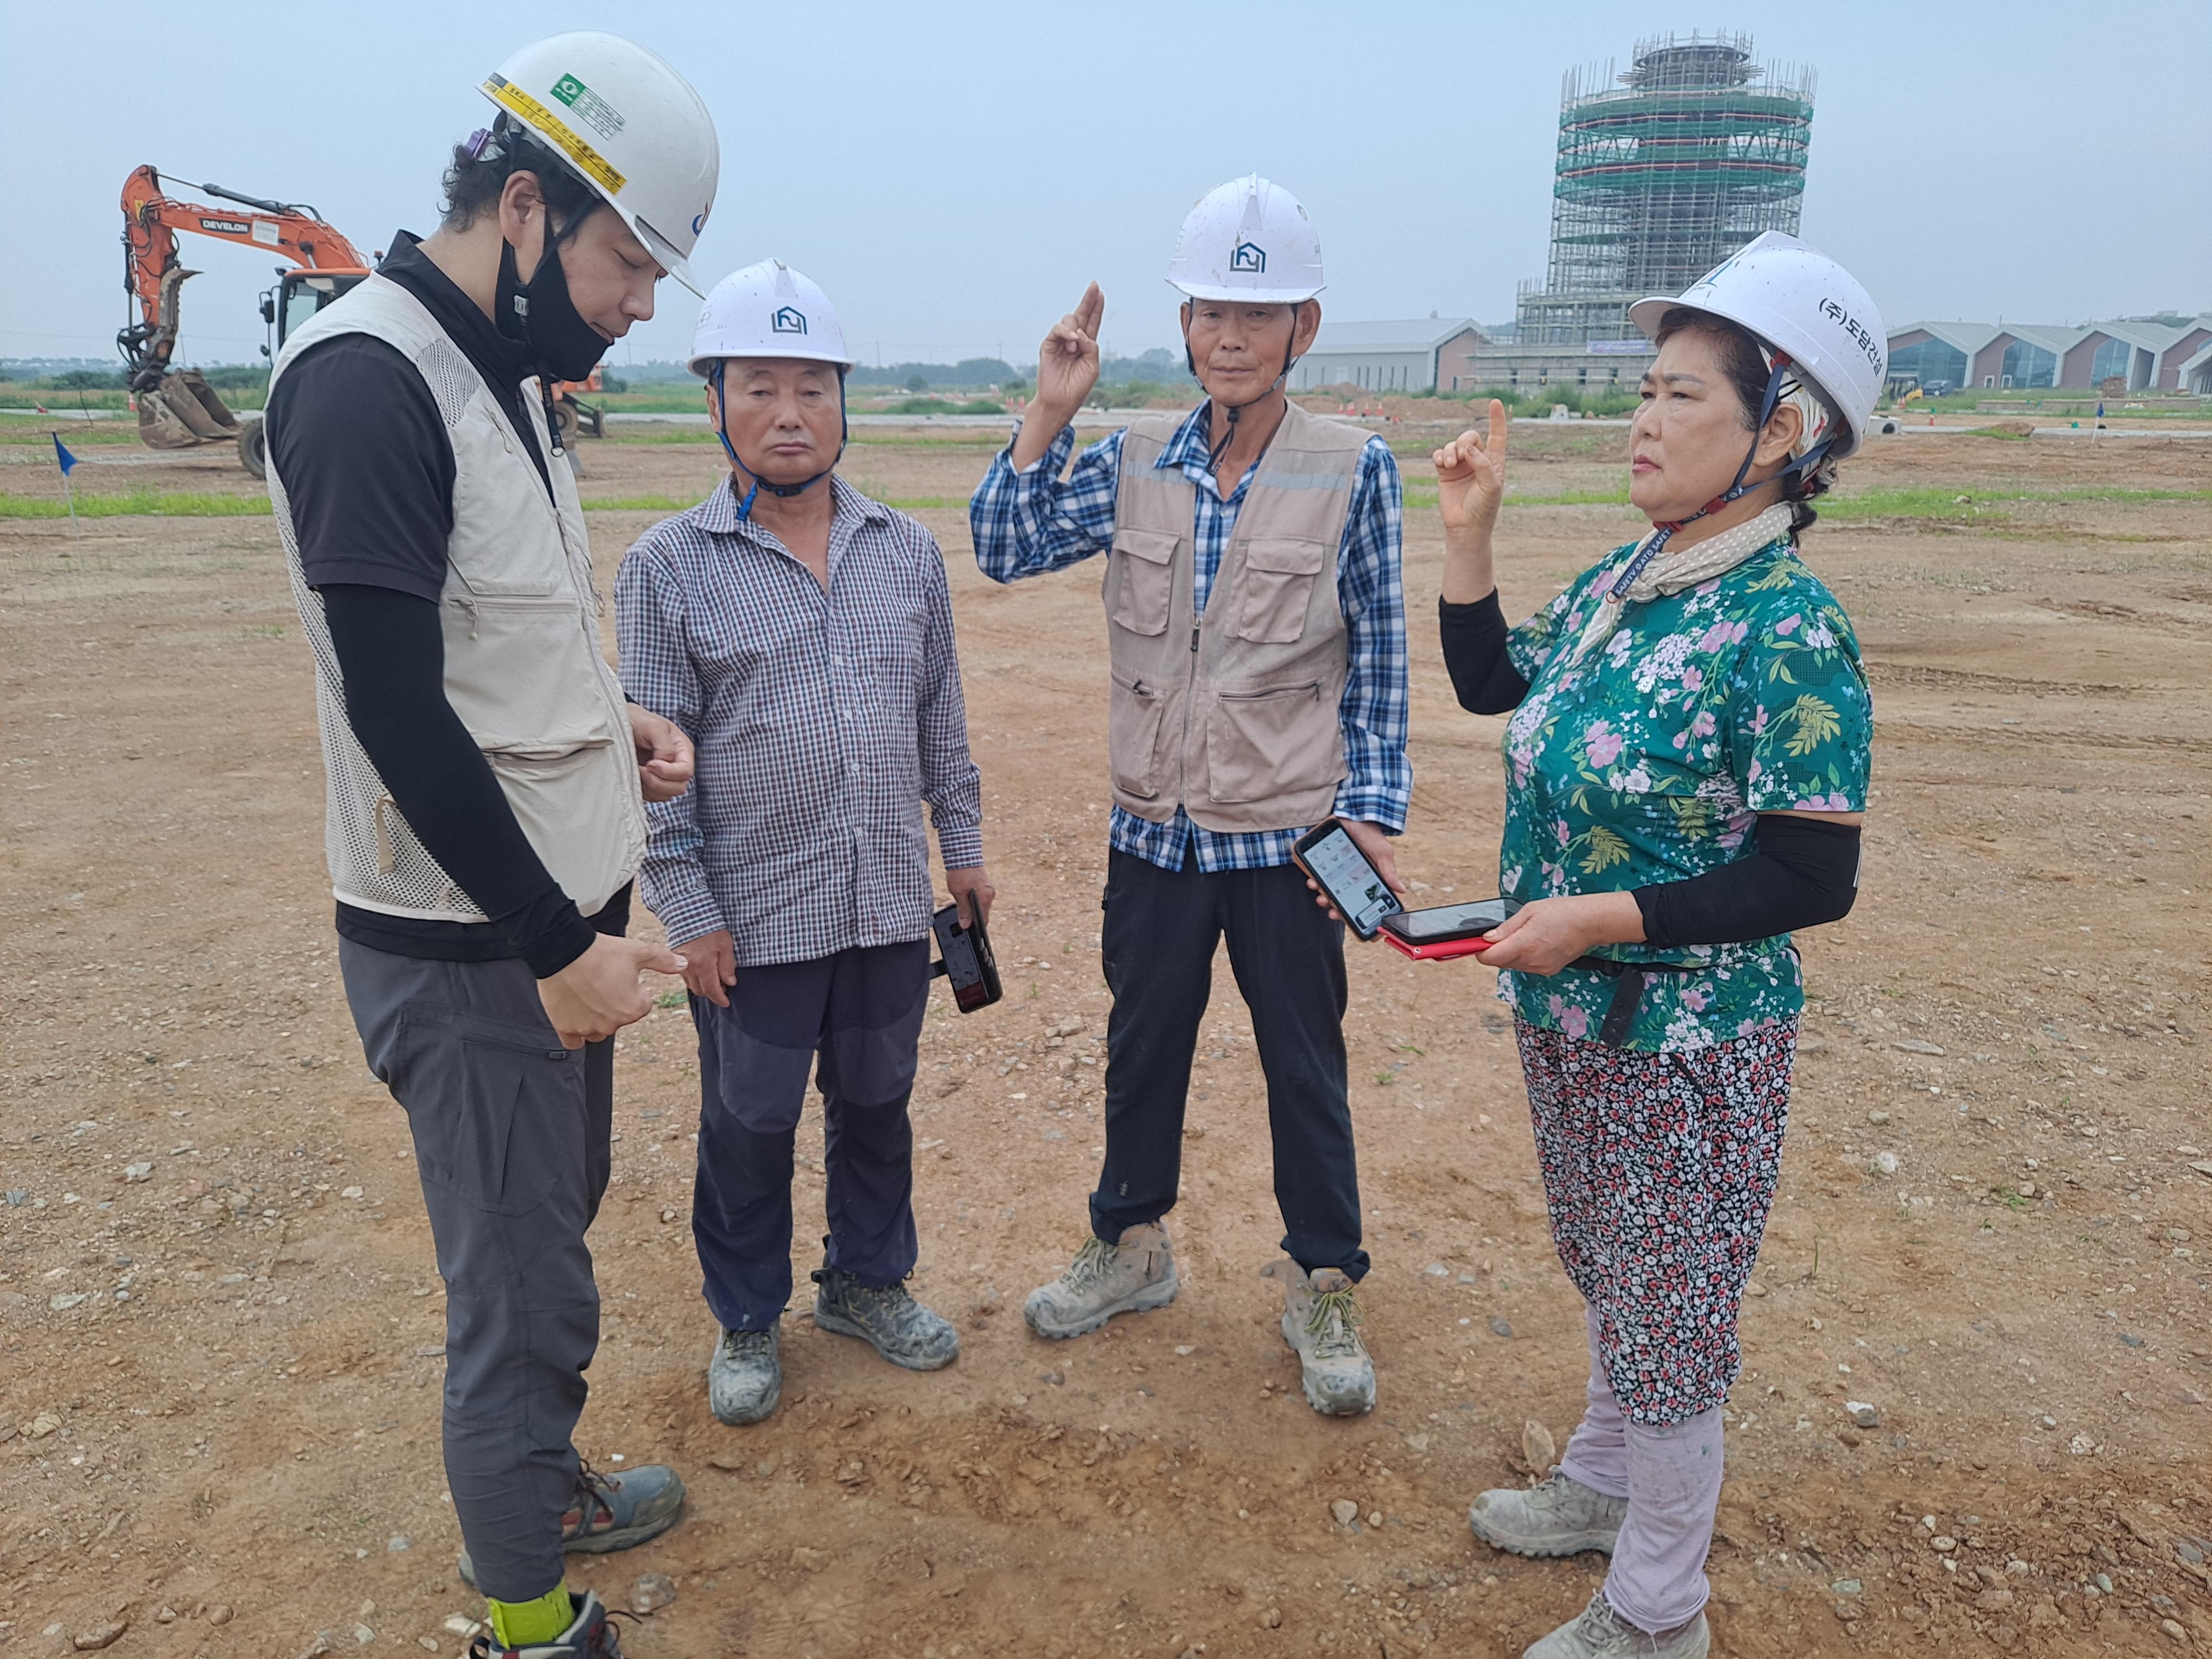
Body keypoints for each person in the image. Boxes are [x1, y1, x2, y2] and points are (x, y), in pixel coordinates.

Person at [265, 33, 719, 1659]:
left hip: (546, 931)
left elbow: (492, 637)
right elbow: (397, 708)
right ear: (525, 207)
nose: (640, 306)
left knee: (551, 1238)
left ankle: (541, 1488)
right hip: (478, 954)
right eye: (627, 263)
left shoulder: (503, 374)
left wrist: (612, 717)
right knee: (518, 1300)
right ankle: (530, 1620)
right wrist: (556, 947)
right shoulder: (364, 382)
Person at [1435, 233, 1883, 1659]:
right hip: (1572, 1015)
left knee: (1670, 1311)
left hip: (1691, 1045)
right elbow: (1490, 683)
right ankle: (1600, 1480)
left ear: (1781, 432)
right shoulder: (1634, 576)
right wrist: (1468, 532)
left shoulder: (1784, 627)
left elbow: (1811, 874)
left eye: (1682, 395)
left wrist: (1598, 920)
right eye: (1646, 389)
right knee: (1607, 1264)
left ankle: (1655, 1613)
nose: (1641, 418)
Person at [969, 175, 1410, 1416]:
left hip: (1289, 835)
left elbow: (1380, 651)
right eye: (1212, 311)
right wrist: (1049, 412)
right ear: (1184, 325)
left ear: (1302, 328)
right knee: (1141, 1045)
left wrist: (1372, 818)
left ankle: (1323, 1277)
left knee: (1303, 1063)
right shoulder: (1131, 463)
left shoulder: (1353, 468)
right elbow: (1002, 546)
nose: (1231, 336)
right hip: (1153, 832)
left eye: (1257, 315)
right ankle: (1130, 1245)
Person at [615, 260, 990, 1429]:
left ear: (843, 402)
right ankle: (745, 1316)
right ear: (714, 402)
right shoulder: (666, 568)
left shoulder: (905, 550)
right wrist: (690, 916)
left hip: (884, 902)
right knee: (749, 1124)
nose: (789, 414)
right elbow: (650, 768)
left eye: (812, 388)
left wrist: (963, 851)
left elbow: (940, 720)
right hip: (754, 918)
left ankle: (867, 1283)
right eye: (760, 388)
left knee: (878, 1103)